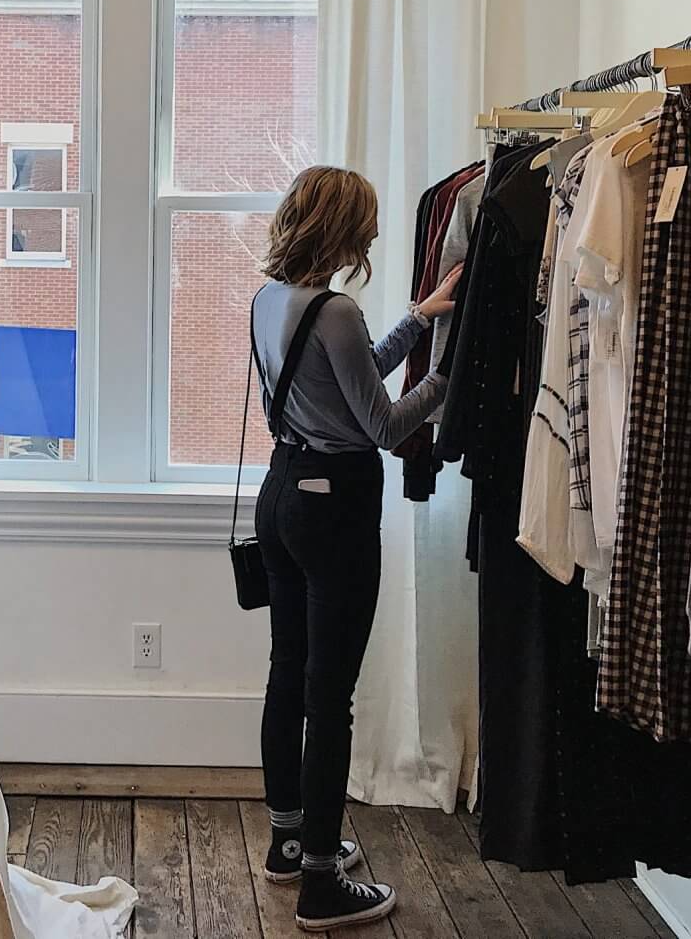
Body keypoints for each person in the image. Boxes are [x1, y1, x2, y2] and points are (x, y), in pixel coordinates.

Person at [250, 164, 458, 931]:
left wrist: (415, 316)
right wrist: (447, 373)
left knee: (286, 671)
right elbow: (383, 423)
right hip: (334, 509)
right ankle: (321, 883)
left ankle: (287, 841)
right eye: (365, 222)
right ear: (340, 227)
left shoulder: (272, 298)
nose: (373, 234)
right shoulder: (335, 309)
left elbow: (346, 379)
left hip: (282, 496)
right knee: (329, 695)